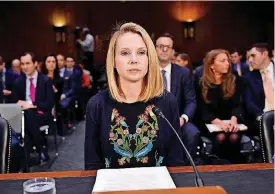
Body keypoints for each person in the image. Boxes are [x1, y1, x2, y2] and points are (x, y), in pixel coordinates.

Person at [85, 22, 184, 170]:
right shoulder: (97, 105)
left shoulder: (167, 101)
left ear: (149, 58)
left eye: (141, 52)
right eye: (125, 53)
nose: (134, 59)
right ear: (113, 61)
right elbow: (92, 165)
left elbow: (176, 162)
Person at [155, 33, 199, 163]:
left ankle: (185, 169)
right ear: (154, 49)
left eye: (167, 47)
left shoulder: (183, 73)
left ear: (173, 51)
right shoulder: (146, 72)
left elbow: (191, 101)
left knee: (192, 133)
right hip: (152, 121)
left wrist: (183, 118)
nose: (164, 50)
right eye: (160, 46)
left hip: (178, 120)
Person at [196, 49, 244, 163]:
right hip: (209, 122)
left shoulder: (234, 79)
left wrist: (234, 119)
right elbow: (202, 109)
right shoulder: (201, 83)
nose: (227, 63)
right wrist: (218, 123)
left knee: (234, 137)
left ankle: (237, 168)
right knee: (220, 137)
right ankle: (217, 166)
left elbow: (238, 104)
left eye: (227, 60)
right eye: (222, 61)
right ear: (212, 65)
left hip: (231, 122)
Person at [12, 52, 54, 164]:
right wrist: (21, 105)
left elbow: (49, 104)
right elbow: (15, 101)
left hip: (42, 114)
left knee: (28, 116)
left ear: (35, 64)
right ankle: (40, 150)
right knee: (27, 117)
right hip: (23, 115)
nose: (25, 67)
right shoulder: (18, 82)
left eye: (28, 63)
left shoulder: (45, 80)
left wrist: (31, 104)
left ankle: (24, 159)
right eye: (22, 64)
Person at [243, 43, 274, 136]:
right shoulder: (248, 78)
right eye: (248, 57)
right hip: (263, 118)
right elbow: (250, 104)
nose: (250, 60)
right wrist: (264, 117)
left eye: (253, 56)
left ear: (264, 54)